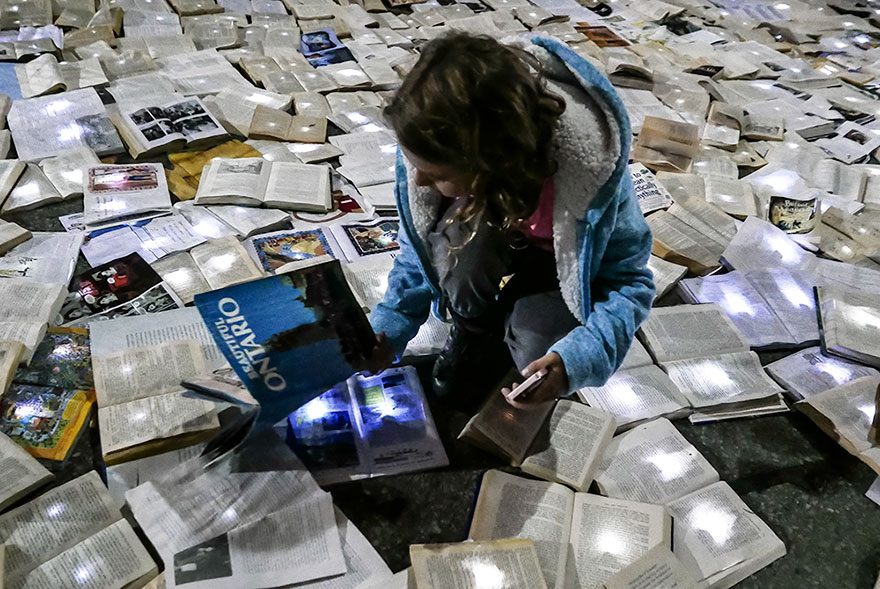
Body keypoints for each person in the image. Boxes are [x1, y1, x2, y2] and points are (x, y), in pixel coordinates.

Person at [369, 33, 655, 409]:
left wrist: (574, 362)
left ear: (492, 162)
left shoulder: (591, 176)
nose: (419, 180)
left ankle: (514, 323)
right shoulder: (429, 145)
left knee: (535, 345)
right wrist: (391, 323)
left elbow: (627, 282)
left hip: (557, 263)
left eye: (437, 174)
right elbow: (417, 244)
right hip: (492, 224)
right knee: (455, 253)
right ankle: (473, 328)